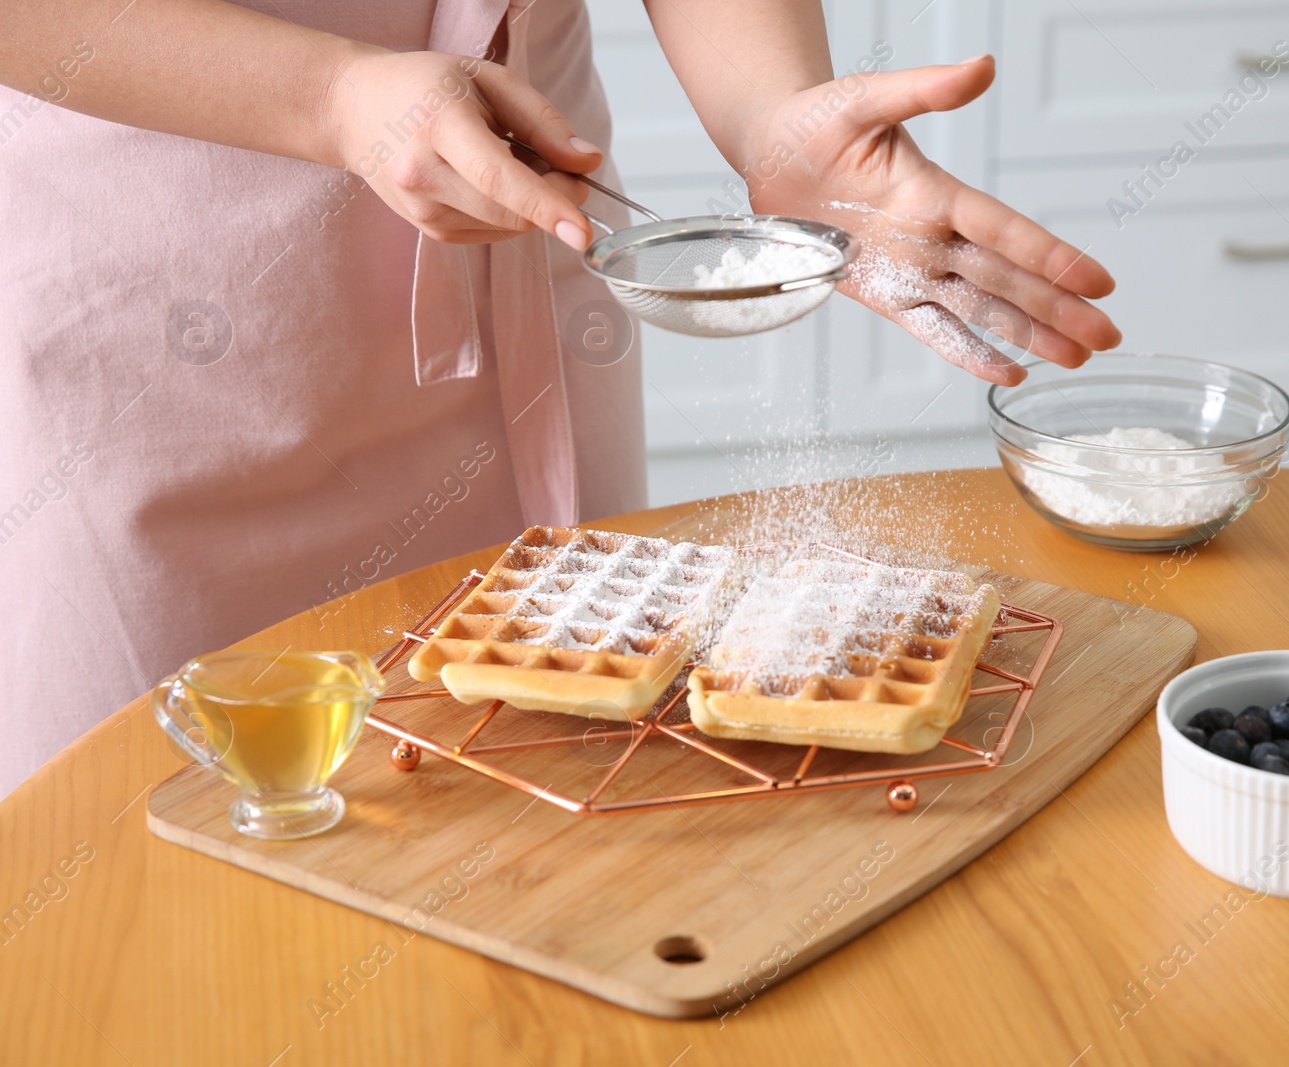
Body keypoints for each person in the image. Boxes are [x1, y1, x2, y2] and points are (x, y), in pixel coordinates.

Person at [0, 0, 1119, 796]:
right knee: (157, 833)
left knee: (539, 801)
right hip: (170, 294)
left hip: (523, 217)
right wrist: (335, 96)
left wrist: (771, 108)